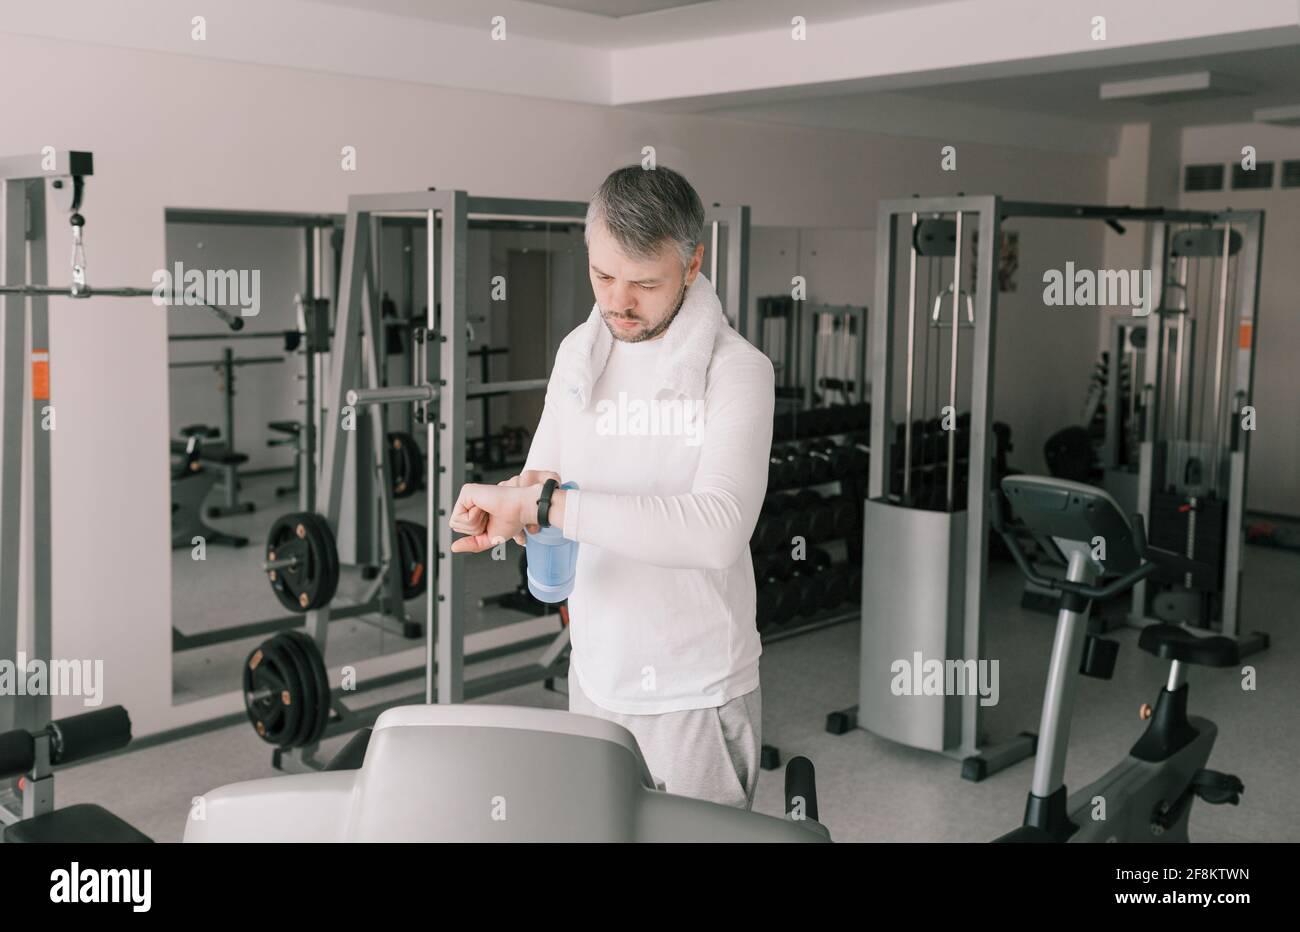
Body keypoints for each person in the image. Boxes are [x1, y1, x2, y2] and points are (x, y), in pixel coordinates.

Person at [448, 165, 774, 809]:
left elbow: (716, 531)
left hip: (694, 689)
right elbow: (543, 476)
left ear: (692, 263)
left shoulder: (737, 372)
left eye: (644, 283)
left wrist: (545, 504)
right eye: (602, 276)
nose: (618, 303)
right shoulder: (580, 351)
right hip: (596, 673)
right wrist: (511, 511)